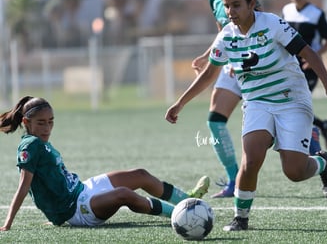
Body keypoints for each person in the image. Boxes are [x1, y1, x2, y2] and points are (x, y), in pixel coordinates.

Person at [166, 0, 327, 231]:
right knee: (251, 159)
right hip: (257, 102)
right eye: (227, 6)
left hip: (291, 100)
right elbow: (209, 73)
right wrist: (179, 104)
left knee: (294, 172)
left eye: (236, 5)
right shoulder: (226, 36)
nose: (230, 11)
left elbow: (307, 52)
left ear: (252, 5)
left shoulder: (272, 24)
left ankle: (322, 162)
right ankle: (241, 218)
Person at [0, 96, 210, 231]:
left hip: (83, 189)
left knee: (140, 174)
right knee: (123, 194)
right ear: (26, 123)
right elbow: (24, 185)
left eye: (51, 121)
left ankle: (188, 199)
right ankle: (182, 214)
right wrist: (8, 222)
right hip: (76, 210)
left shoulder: (38, 141)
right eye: (41, 123)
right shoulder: (30, 146)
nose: (48, 127)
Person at [191, 0, 270, 198]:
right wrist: (207, 55)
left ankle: (314, 149)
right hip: (231, 66)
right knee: (215, 121)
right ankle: (234, 178)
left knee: (278, 133)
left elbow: (261, 28)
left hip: (255, 65)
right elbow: (224, 33)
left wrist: (245, 56)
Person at [282, 0, 327, 149]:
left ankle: (310, 143)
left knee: (298, 104)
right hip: (289, 67)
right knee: (291, 104)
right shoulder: (286, 10)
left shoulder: (316, 14)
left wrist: (314, 57)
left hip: (309, 68)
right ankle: (322, 127)